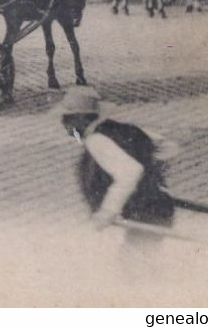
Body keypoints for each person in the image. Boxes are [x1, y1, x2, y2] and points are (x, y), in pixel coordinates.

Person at [58, 86, 174, 241]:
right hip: (157, 206)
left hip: (145, 213)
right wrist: (153, 173)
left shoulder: (96, 140)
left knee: (135, 260)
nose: (63, 123)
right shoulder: (122, 128)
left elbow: (130, 172)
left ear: (82, 118)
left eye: (67, 118)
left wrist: (108, 210)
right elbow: (168, 146)